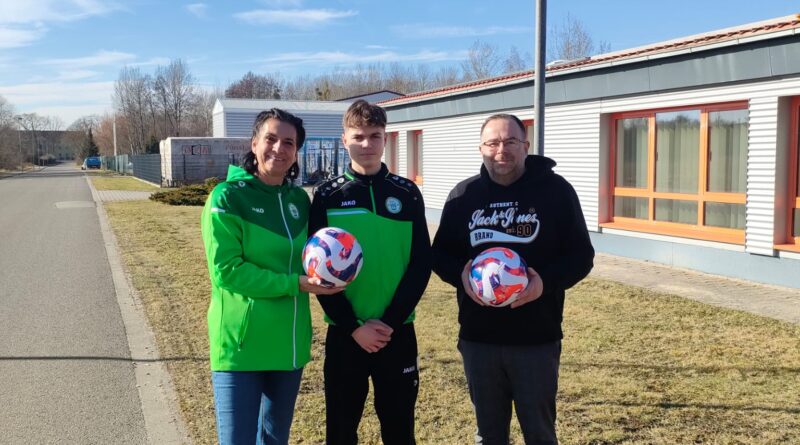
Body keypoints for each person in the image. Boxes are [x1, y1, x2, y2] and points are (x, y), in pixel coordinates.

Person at [431, 114, 594, 445]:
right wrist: (462, 275)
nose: (501, 150)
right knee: (488, 435)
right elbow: (440, 255)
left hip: (536, 338)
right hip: (479, 338)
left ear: (525, 146)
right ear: (481, 148)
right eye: (492, 143)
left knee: (540, 434)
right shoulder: (464, 195)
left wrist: (543, 283)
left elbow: (581, 257)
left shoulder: (556, 191)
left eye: (510, 142)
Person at [201, 108, 340, 445]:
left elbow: (314, 255)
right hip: (241, 347)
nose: (279, 148)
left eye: (288, 142)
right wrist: (294, 284)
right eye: (271, 139)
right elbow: (227, 272)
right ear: (254, 143)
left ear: (296, 151)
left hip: (288, 347)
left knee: (275, 441)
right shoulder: (227, 197)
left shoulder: (299, 200)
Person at [309, 99, 432, 445]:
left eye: (375, 135)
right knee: (341, 431)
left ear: (385, 138)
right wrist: (353, 327)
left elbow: (421, 263)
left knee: (400, 431)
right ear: (344, 140)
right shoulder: (327, 196)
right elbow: (317, 272)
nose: (367, 144)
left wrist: (389, 322)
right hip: (345, 334)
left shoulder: (407, 193)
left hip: (397, 332)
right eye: (358, 136)